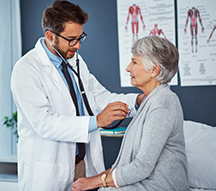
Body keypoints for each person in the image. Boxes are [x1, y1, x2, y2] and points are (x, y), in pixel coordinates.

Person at [11, 1, 143, 190]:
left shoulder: (75, 60)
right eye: (72, 39)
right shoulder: (26, 69)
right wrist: (96, 121)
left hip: (82, 164)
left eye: (81, 37)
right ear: (50, 36)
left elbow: (99, 98)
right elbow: (44, 123)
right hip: (49, 168)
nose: (78, 45)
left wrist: (138, 101)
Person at [72, 36, 190, 191]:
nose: (128, 68)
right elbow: (129, 163)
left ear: (154, 70)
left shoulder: (162, 103)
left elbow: (141, 167)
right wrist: (98, 179)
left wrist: (97, 181)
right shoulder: (151, 100)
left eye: (134, 62)